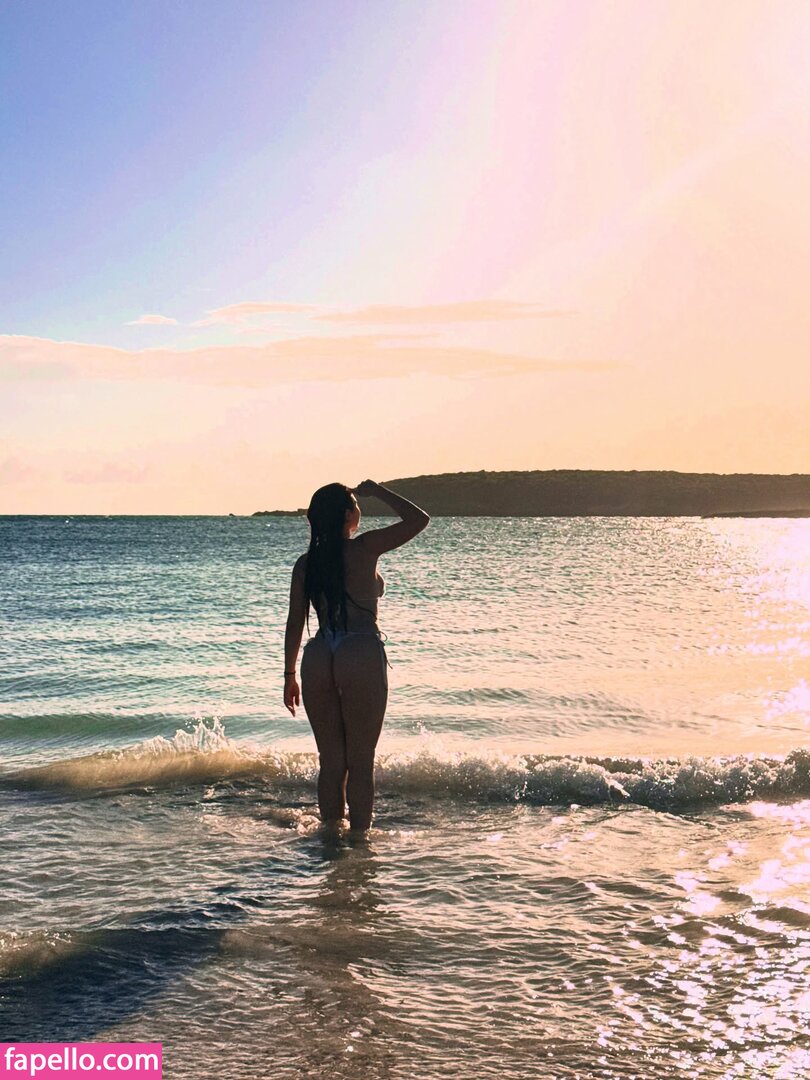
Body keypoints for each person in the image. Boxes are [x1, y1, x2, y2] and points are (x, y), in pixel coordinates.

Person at [283, 479, 430, 832]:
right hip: (359, 649)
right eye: (356, 505)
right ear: (349, 515)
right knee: (361, 762)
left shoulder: (306, 563)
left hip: (319, 654)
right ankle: (360, 846)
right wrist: (378, 491)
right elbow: (419, 519)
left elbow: (294, 621)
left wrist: (289, 675)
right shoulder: (366, 547)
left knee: (331, 762)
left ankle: (331, 842)